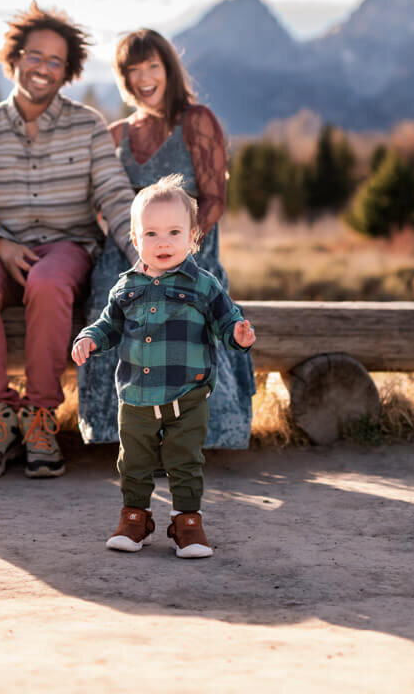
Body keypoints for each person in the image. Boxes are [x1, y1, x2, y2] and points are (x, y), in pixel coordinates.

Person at [0, 1, 137, 481]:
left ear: (68, 71)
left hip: (68, 249)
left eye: (56, 61)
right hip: (4, 249)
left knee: (50, 282)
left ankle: (39, 417)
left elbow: (116, 197)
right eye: (36, 56)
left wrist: (146, 254)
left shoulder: (88, 126)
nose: (43, 69)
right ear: (15, 58)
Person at [77, 28, 256, 448]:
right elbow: (102, 200)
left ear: (169, 69)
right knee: (110, 291)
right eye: (133, 69)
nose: (144, 77)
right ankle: (113, 428)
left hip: (189, 246)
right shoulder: (117, 133)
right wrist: (138, 246)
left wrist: (178, 248)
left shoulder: (197, 122)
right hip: (129, 248)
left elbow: (214, 199)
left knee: (190, 296)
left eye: (152, 65)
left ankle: (200, 429)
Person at [72, 175, 255, 557]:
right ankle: (134, 519)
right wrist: (89, 338)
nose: (164, 242)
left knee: (185, 462)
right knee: (133, 463)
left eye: (174, 232)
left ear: (192, 237)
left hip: (187, 396)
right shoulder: (125, 287)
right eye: (151, 234)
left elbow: (226, 321)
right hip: (136, 397)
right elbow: (108, 325)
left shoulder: (203, 285)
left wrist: (238, 334)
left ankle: (187, 524)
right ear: (136, 241)